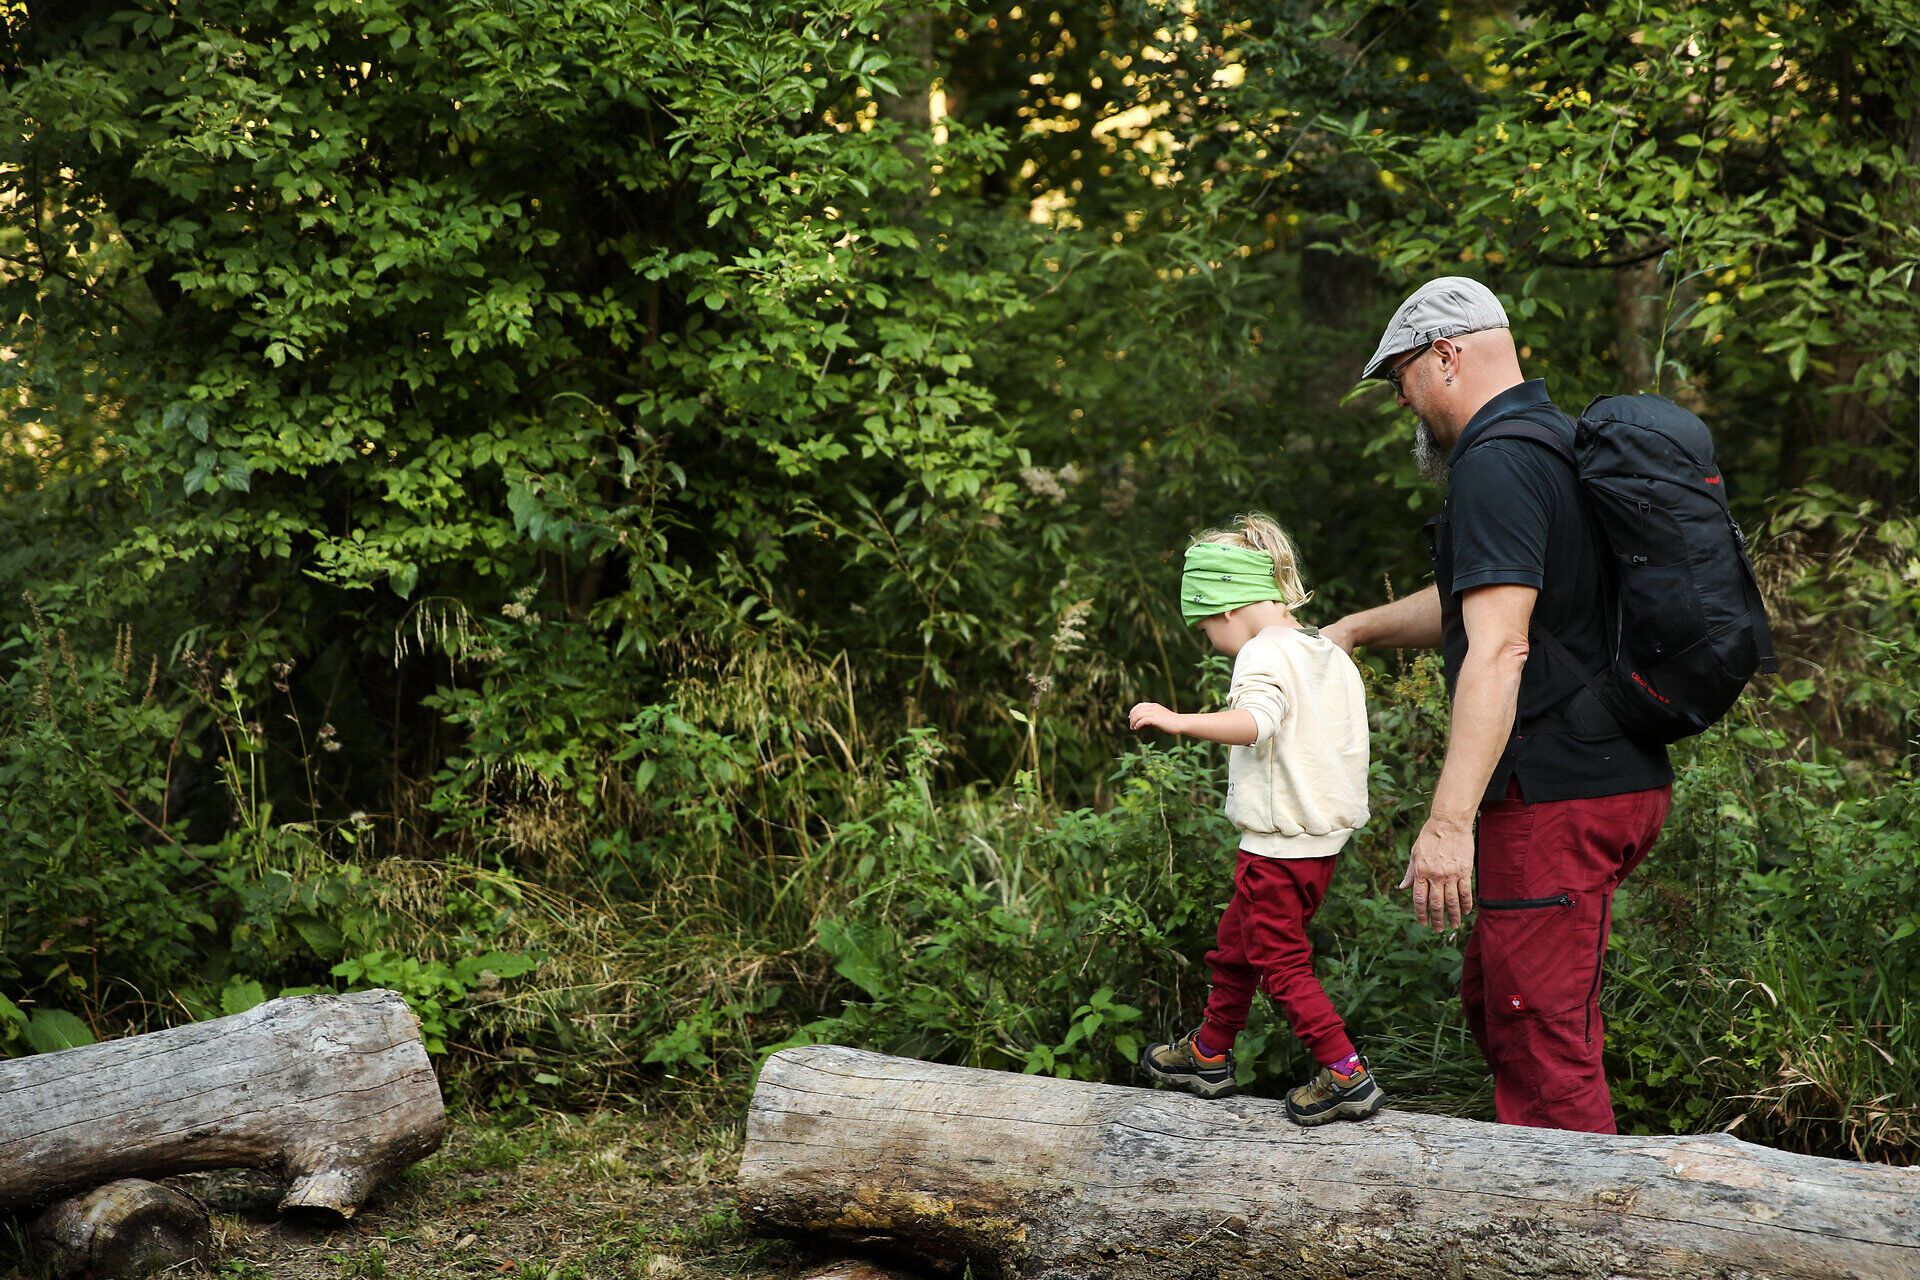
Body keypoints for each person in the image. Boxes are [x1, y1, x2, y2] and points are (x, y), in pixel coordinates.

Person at [1322, 276, 1672, 1132]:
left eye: (1401, 377)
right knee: (1498, 999)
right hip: (1611, 772)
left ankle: (1582, 1213)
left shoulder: (1495, 462)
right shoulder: (1556, 440)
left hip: (1554, 792)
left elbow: (1500, 645)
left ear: (1446, 356)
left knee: (1541, 1047)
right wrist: (1355, 630)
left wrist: (1447, 825)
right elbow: (1483, 598)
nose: (1402, 401)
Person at [1129, 514, 1384, 1125]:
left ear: (1224, 609)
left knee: (1281, 964)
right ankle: (1209, 1053)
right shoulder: (1326, 651)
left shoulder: (1262, 653)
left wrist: (1178, 720)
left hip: (1274, 849)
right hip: (1319, 845)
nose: (1210, 641)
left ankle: (1346, 1073)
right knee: (1237, 948)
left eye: (1204, 629)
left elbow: (1256, 722)